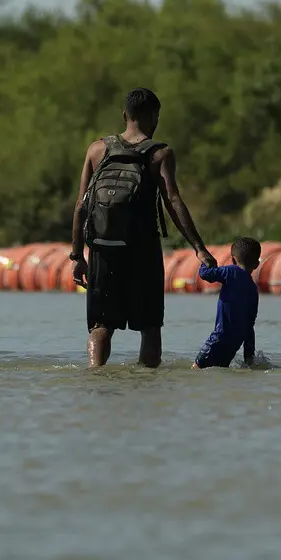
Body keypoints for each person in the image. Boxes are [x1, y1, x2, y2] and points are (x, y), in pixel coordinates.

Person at [71, 88, 217, 368]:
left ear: (125, 115)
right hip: (143, 251)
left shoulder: (97, 149)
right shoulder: (160, 154)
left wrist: (77, 257)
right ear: (155, 117)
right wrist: (199, 248)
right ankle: (148, 383)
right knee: (149, 327)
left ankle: (94, 376)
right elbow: (173, 202)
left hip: (102, 249)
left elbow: (80, 206)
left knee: (101, 326)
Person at [193, 236, 262, 369]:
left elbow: (206, 274)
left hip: (218, 338)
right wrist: (249, 357)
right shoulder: (253, 289)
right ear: (257, 264)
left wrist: (205, 261)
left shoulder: (230, 271)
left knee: (195, 371)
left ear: (232, 259)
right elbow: (250, 325)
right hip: (234, 344)